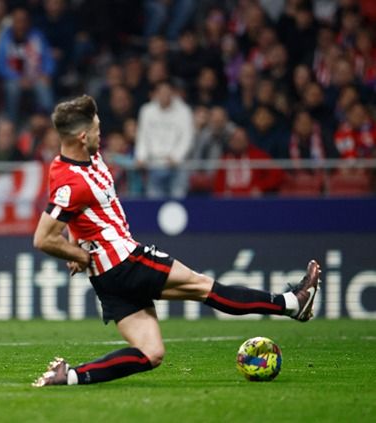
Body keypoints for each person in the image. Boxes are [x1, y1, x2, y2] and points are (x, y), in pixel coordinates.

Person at [31, 95, 321, 387]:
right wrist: (79, 255)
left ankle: (69, 376)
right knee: (205, 287)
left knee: (151, 353)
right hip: (125, 261)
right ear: (82, 137)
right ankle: (292, 303)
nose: (99, 134)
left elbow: (71, 217)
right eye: (96, 130)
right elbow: (43, 238)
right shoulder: (73, 183)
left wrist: (75, 243)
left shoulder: (68, 164)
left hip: (108, 277)